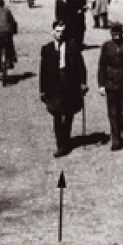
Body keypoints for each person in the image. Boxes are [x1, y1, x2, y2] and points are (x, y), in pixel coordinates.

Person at [40, 21, 88, 158]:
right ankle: (60, 144)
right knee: (56, 114)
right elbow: (43, 71)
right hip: (54, 85)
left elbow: (81, 67)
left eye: (62, 31)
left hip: (70, 84)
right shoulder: (47, 49)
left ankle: (66, 139)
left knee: (68, 114)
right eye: (57, 31)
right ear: (52, 32)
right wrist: (42, 90)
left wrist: (83, 83)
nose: (60, 34)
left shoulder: (73, 46)